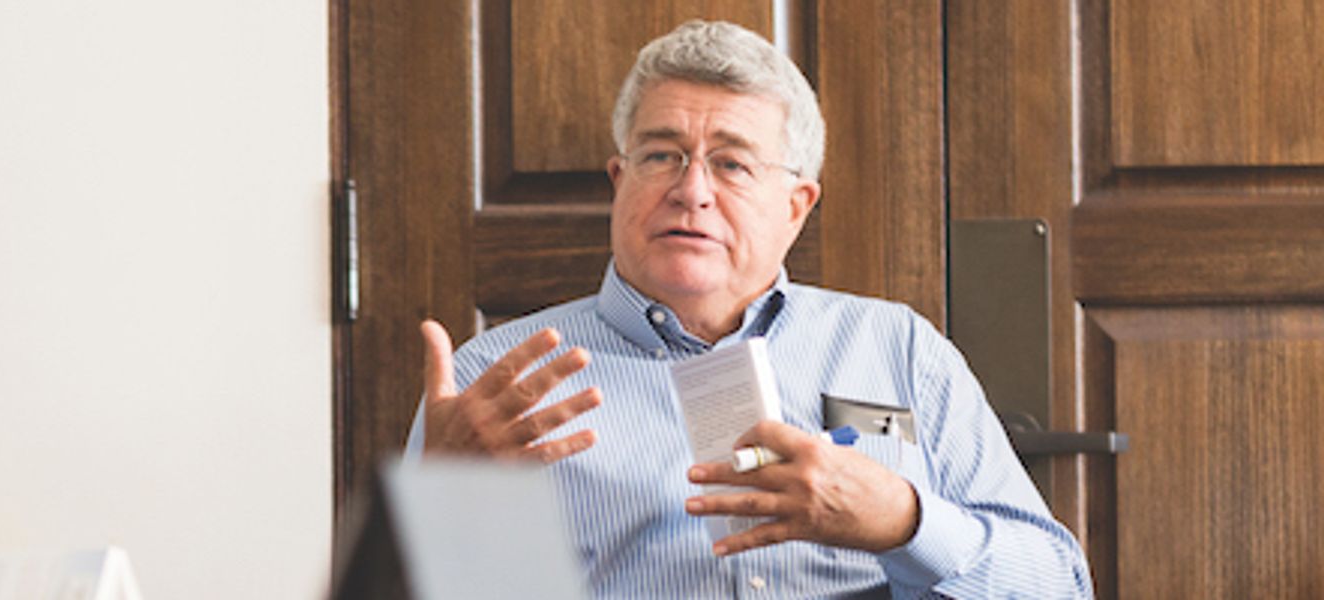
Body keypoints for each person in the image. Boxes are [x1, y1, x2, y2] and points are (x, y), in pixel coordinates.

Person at [404, 20, 1093, 597]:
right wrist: (442, 502)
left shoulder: (898, 348)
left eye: (732, 163)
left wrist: (904, 522)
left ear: (797, 207)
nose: (691, 190)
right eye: (661, 156)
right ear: (620, 181)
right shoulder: (496, 379)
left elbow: (1061, 585)